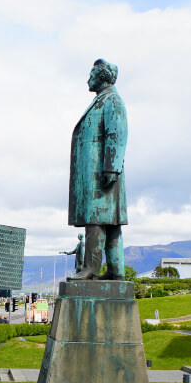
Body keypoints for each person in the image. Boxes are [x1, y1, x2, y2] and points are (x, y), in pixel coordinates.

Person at [68, 59, 129, 281]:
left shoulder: (112, 100)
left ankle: (90, 270)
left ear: (102, 76)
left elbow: (117, 133)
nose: (88, 79)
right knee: (111, 224)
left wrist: (111, 167)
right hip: (100, 171)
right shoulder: (102, 100)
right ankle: (116, 271)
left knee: (96, 219)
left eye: (91, 75)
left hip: (102, 172)